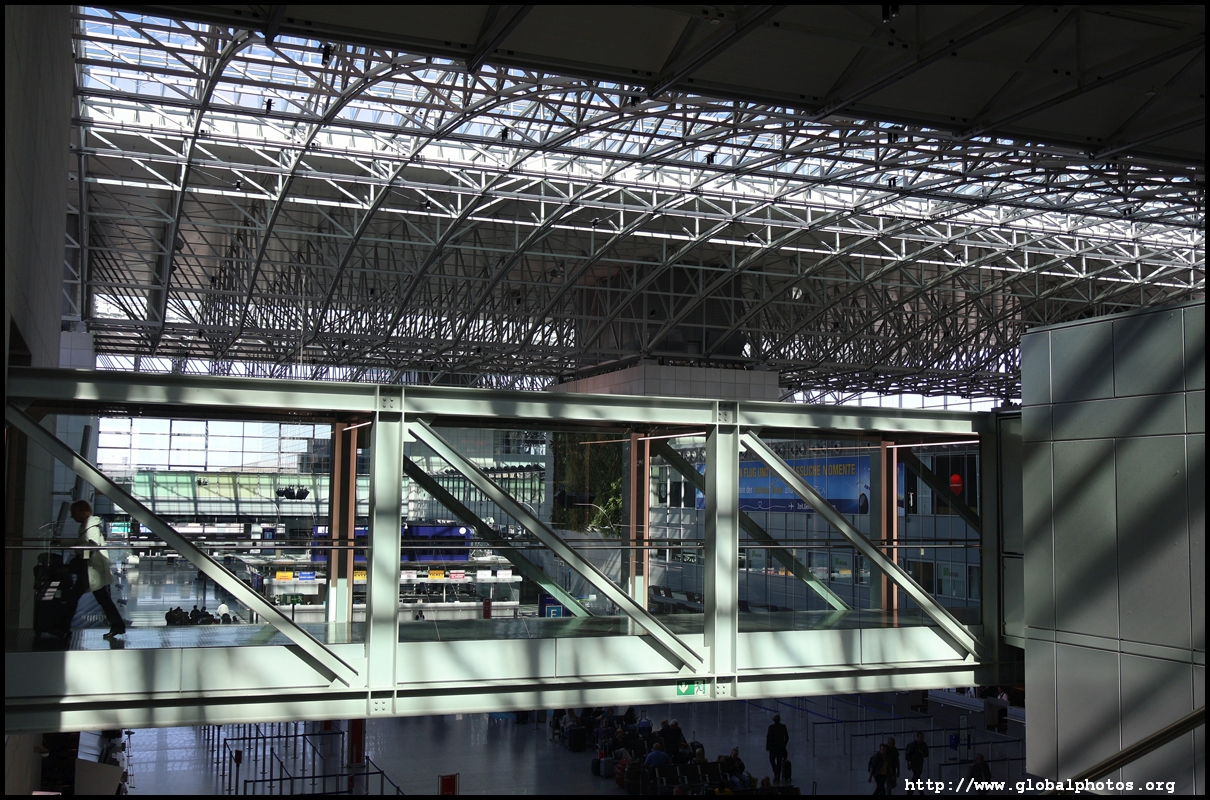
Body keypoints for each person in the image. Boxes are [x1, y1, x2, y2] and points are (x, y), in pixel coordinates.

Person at [56, 501, 125, 638]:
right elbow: (81, 543)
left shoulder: (91, 527)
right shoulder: (87, 526)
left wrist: (78, 551)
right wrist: (63, 542)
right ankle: (117, 626)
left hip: (90, 569)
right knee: (101, 599)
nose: (72, 516)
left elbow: (92, 545)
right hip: (90, 569)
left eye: (74, 513)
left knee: (73, 598)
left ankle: (63, 628)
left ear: (81, 512)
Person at [766, 713, 789, 781]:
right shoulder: (783, 726)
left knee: (772, 760)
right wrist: (784, 744)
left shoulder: (771, 727)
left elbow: (768, 737)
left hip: (773, 747)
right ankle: (778, 773)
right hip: (781, 747)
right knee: (779, 761)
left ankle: (776, 772)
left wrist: (767, 746)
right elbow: (787, 737)